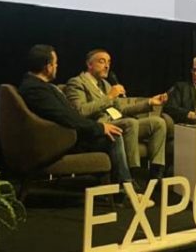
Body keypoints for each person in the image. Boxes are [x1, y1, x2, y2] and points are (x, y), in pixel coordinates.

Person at [18, 44, 134, 188]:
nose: (57, 66)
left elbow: (68, 115)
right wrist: (100, 127)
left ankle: (120, 187)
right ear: (48, 67)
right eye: (55, 63)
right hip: (58, 142)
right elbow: (67, 117)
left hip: (66, 135)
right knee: (113, 136)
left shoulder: (41, 86)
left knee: (114, 132)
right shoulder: (35, 89)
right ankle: (126, 188)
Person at [65, 49, 167, 182]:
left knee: (157, 123)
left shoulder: (106, 85)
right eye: (102, 62)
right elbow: (80, 112)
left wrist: (149, 102)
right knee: (130, 123)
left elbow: (122, 110)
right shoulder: (77, 82)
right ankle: (132, 173)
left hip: (118, 122)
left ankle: (156, 174)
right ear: (89, 64)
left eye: (108, 62)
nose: (107, 66)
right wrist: (109, 97)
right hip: (99, 127)